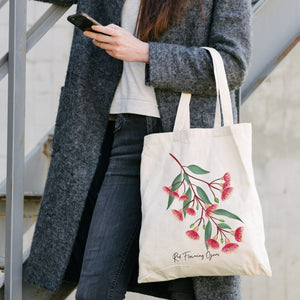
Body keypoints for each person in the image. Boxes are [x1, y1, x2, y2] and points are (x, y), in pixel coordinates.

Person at [24, 0, 252, 299]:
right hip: (126, 138)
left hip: (188, 145)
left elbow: (233, 64)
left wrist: (145, 53)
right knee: (95, 288)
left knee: (189, 284)